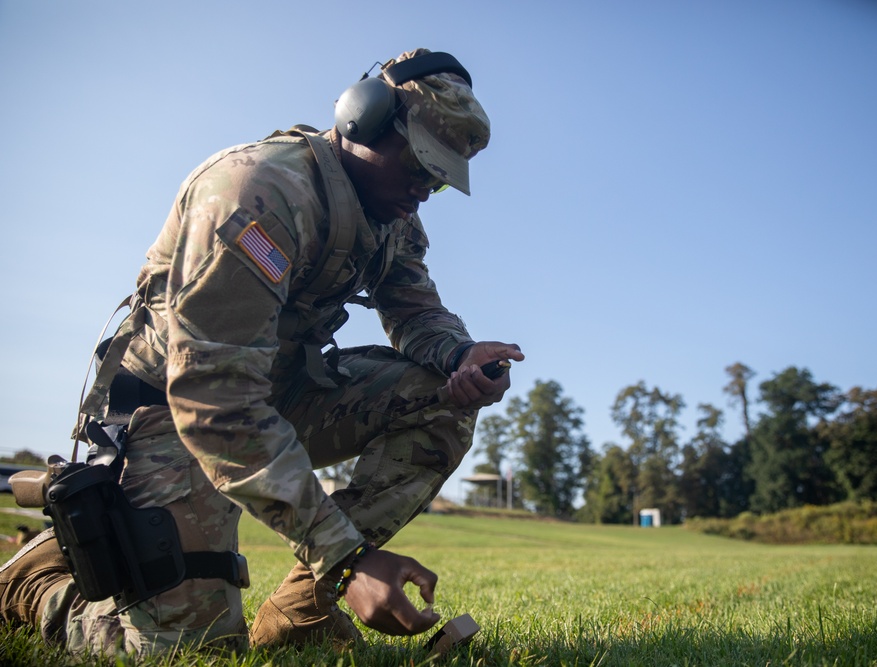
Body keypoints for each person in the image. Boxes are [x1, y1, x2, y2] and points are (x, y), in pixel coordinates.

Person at [0, 48, 523, 658]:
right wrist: (347, 559)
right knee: (186, 653)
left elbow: (414, 311)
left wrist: (458, 354)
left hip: (276, 396)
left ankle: (300, 613)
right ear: (363, 118)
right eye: (417, 165)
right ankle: (37, 585)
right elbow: (214, 397)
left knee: (437, 402)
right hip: (175, 415)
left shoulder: (392, 219)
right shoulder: (257, 195)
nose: (425, 190)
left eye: (438, 177)